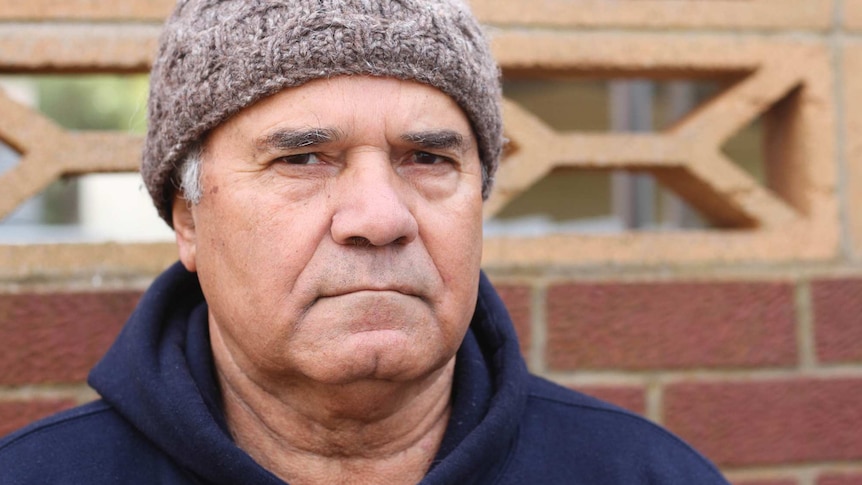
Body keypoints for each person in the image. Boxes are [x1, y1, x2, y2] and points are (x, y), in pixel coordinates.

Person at [0, 1, 731, 483]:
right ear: (188, 218)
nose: (379, 218)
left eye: (429, 158)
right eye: (301, 159)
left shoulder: (641, 474)